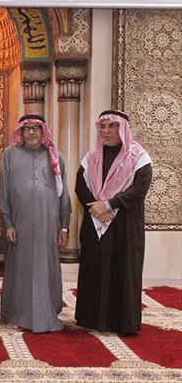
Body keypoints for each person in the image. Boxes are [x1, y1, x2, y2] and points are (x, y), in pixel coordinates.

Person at [75, 110, 152, 334]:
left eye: (112, 126)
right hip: (95, 222)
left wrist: (109, 205)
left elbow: (139, 189)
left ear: (123, 129)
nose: (106, 131)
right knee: (94, 269)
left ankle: (123, 322)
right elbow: (80, 186)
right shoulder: (92, 157)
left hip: (124, 225)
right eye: (103, 127)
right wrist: (96, 208)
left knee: (123, 270)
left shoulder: (138, 157)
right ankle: (92, 319)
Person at [0, 114, 72, 333]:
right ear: (21, 132)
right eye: (27, 129)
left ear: (43, 132)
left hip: (48, 224)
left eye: (36, 128)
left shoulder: (55, 157)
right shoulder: (10, 155)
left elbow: (64, 194)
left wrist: (65, 226)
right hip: (19, 223)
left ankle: (46, 311)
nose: (31, 132)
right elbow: (4, 191)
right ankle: (16, 312)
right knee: (20, 267)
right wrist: (7, 223)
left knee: (45, 266)